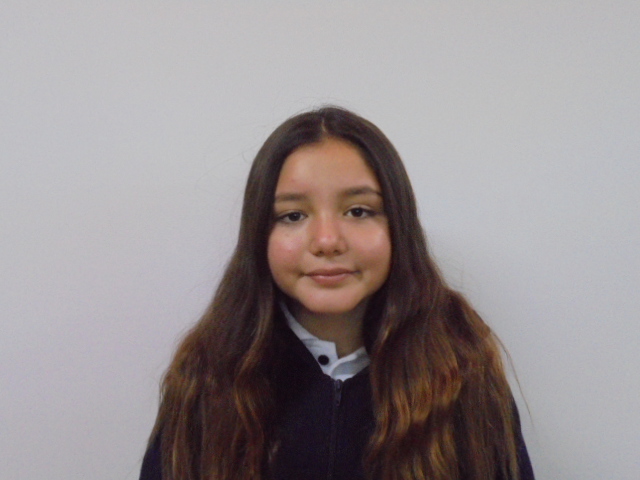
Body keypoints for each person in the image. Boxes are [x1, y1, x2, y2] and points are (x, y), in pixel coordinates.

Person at [139, 106, 535, 480]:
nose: (327, 241)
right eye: (293, 215)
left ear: (398, 225)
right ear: (260, 235)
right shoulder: (209, 376)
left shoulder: (460, 370)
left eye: (358, 211)